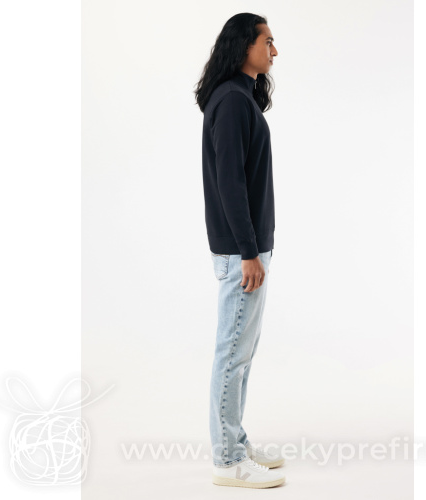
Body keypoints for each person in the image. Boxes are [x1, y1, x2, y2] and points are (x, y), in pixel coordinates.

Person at [194, 13, 285, 489]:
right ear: (243, 45)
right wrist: (249, 251)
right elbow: (229, 183)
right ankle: (227, 461)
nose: (274, 51)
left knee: (241, 353)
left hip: (249, 249)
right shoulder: (231, 101)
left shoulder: (240, 96)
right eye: (267, 41)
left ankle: (235, 440)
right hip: (241, 252)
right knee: (231, 354)